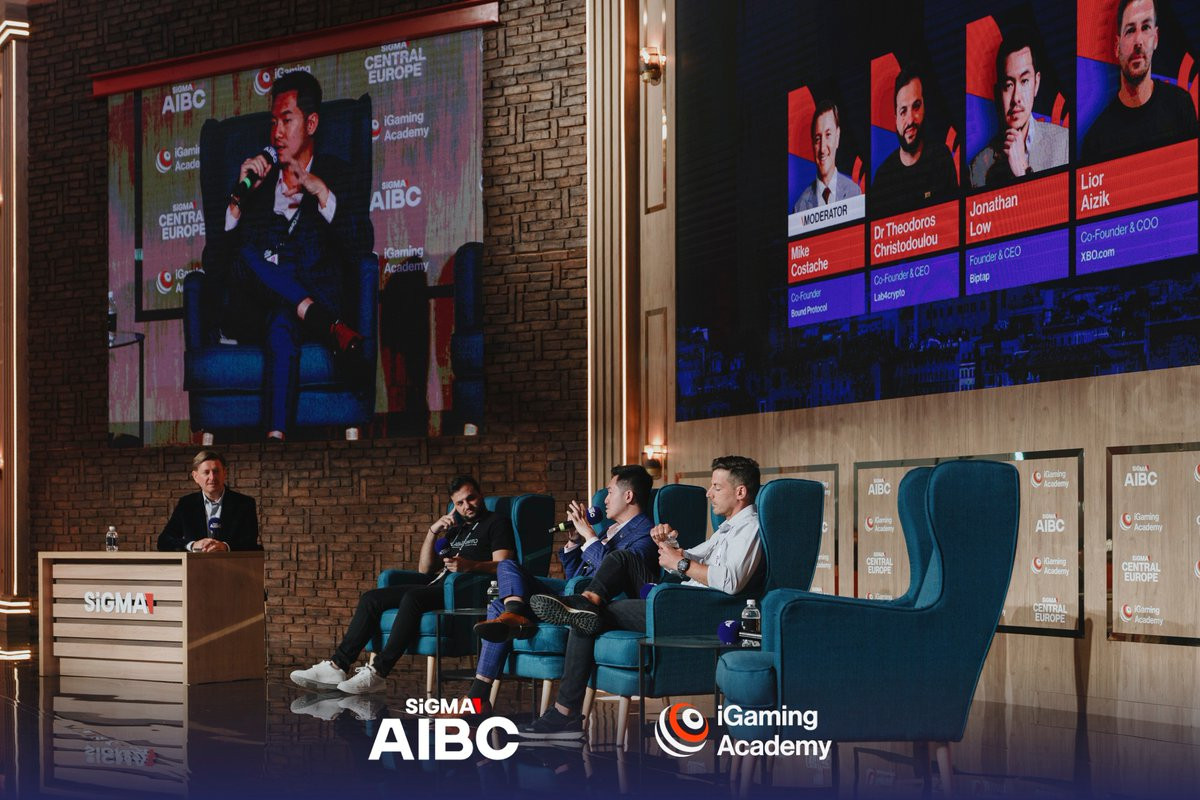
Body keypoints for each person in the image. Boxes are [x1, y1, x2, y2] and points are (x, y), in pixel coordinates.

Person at [518, 456, 764, 740]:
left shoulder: (750, 528)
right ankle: (586, 602)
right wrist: (668, 544)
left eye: (716, 487)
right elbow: (686, 559)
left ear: (740, 492)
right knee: (618, 563)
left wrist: (680, 563)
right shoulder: (727, 529)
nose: (709, 493)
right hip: (680, 600)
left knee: (588, 617)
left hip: (697, 611)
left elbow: (731, 582)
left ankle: (565, 714)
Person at [203, 70, 373, 440]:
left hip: (310, 294)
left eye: (286, 121)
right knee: (246, 255)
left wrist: (322, 193)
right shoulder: (257, 187)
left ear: (311, 123)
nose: (276, 133)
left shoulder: (337, 175)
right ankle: (327, 324)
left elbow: (362, 246)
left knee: (283, 321)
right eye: (273, 123)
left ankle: (276, 437)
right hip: (255, 305)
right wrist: (236, 202)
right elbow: (214, 266)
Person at [452, 465, 659, 715]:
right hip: (572, 597)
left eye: (610, 492)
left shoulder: (645, 534)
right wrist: (574, 541)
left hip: (601, 605)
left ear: (628, 496)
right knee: (506, 567)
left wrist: (590, 536)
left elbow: (618, 572)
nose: (604, 499)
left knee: (498, 606)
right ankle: (513, 615)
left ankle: (477, 699)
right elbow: (574, 577)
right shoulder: (609, 530)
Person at [289, 475, 515, 694]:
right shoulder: (456, 529)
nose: (467, 506)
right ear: (454, 506)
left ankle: (378, 672)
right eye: (460, 503)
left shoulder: (496, 523)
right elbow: (425, 569)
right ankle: (337, 666)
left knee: (413, 598)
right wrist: (432, 531)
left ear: (480, 494)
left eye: (471, 498)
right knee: (371, 598)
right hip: (437, 584)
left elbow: (503, 565)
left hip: (464, 590)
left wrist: (470, 566)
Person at [1080, 0, 1198, 164]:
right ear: (1117, 46)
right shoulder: (1096, 140)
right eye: (1130, 30)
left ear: (1155, 39)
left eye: (1145, 27)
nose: (1138, 41)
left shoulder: (1180, 105)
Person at [968, 30, 1069, 188]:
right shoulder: (979, 166)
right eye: (1008, 85)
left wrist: (1023, 172)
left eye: (1024, 81)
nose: (1016, 98)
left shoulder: (1063, 142)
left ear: (1036, 83)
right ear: (998, 93)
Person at [871, 67, 958, 218]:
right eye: (903, 111)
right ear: (895, 119)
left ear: (924, 108)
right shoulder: (882, 178)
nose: (910, 120)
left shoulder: (940, 158)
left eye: (916, 106)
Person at [158, 450, 261, 552]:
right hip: (196, 562)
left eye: (216, 471)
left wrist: (225, 547)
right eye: (206, 472)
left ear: (224, 473)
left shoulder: (244, 504)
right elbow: (164, 541)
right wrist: (192, 545)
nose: (212, 477)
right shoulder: (186, 504)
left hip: (232, 562)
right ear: (195, 477)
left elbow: (250, 542)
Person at [794, 99, 862, 212]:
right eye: (817, 139)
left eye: (828, 135)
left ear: (837, 137)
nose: (822, 148)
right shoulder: (800, 207)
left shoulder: (854, 193)